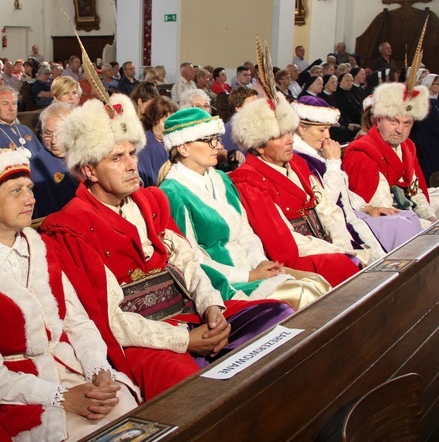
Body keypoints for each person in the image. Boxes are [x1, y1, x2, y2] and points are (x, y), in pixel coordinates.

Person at [41, 93, 294, 400]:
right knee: (195, 389)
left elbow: (188, 261)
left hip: (189, 314)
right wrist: (183, 340)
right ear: (90, 170)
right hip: (144, 340)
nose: (132, 165)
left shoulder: (151, 200)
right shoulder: (69, 227)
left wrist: (211, 307)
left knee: (278, 318)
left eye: (132, 154)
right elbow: (107, 318)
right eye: (117, 158)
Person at [0, 149, 138, 440]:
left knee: (132, 418)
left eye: (29, 188)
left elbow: (77, 323)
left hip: (73, 371)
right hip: (21, 395)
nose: (30, 199)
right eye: (16, 191)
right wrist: (62, 396)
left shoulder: (42, 249)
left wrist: (98, 369)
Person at [158, 108, 330, 310]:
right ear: (184, 148)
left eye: (217, 138)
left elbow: (245, 231)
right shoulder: (172, 192)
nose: (219, 146)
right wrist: (248, 275)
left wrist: (259, 263)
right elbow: (193, 259)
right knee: (303, 293)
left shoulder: (220, 179)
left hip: (251, 270)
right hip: (225, 282)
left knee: (318, 282)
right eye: (209, 140)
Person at [229, 91, 362, 286]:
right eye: (278, 136)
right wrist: (335, 252)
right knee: (351, 266)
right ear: (259, 146)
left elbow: (327, 208)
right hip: (296, 260)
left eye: (289, 133)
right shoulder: (248, 181)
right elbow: (282, 242)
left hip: (328, 247)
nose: (289, 140)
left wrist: (341, 245)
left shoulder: (298, 163)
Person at [292, 100, 422, 254]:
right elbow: (325, 203)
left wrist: (368, 207)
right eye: (322, 130)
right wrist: (333, 163)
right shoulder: (299, 159)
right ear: (301, 128)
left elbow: (344, 191)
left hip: (354, 212)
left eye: (328, 129)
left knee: (409, 218)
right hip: (334, 226)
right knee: (401, 226)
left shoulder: (318, 151)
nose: (327, 136)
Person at [344, 80, 439, 223]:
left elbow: (415, 192)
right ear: (378, 121)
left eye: (406, 123)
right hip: (385, 221)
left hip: (406, 211)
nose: (399, 130)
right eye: (393, 121)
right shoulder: (363, 152)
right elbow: (383, 211)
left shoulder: (406, 147)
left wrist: (430, 217)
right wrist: (426, 225)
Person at [30, 102, 78, 218]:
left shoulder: (88, 154)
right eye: (48, 134)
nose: (53, 141)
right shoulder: (36, 167)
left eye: (60, 134)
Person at [410, 74, 439, 184]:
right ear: (429, 85)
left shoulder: (435, 101)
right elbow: (432, 124)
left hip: (438, 140)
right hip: (430, 141)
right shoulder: (426, 102)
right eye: (438, 84)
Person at [0, 86, 43, 158]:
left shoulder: (26, 130)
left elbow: (43, 158)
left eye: (14, 103)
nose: (11, 108)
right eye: (5, 104)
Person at [137, 96, 177, 188]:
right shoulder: (144, 144)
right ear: (154, 119)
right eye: (165, 122)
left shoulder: (174, 141)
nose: (169, 127)